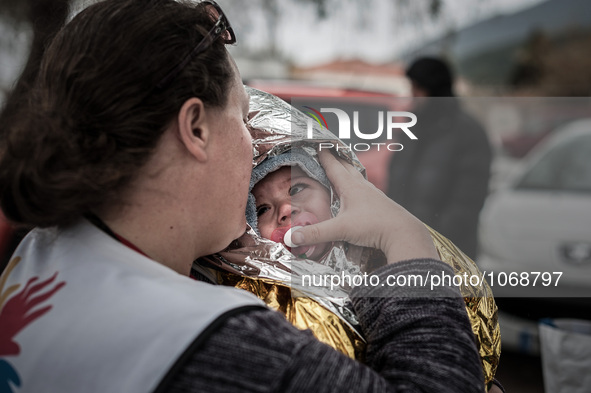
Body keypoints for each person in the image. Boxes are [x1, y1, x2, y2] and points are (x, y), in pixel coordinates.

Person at [0, 1, 485, 392]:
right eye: (244, 116)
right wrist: (403, 239)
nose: (256, 145)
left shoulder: (38, 248)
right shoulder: (223, 343)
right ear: (195, 128)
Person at [387, 57, 492, 260]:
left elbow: (467, 204)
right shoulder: (412, 127)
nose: (413, 95)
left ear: (434, 89)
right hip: (404, 249)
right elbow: (396, 183)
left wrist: (430, 241)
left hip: (448, 256)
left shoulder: (467, 133)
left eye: (418, 88)